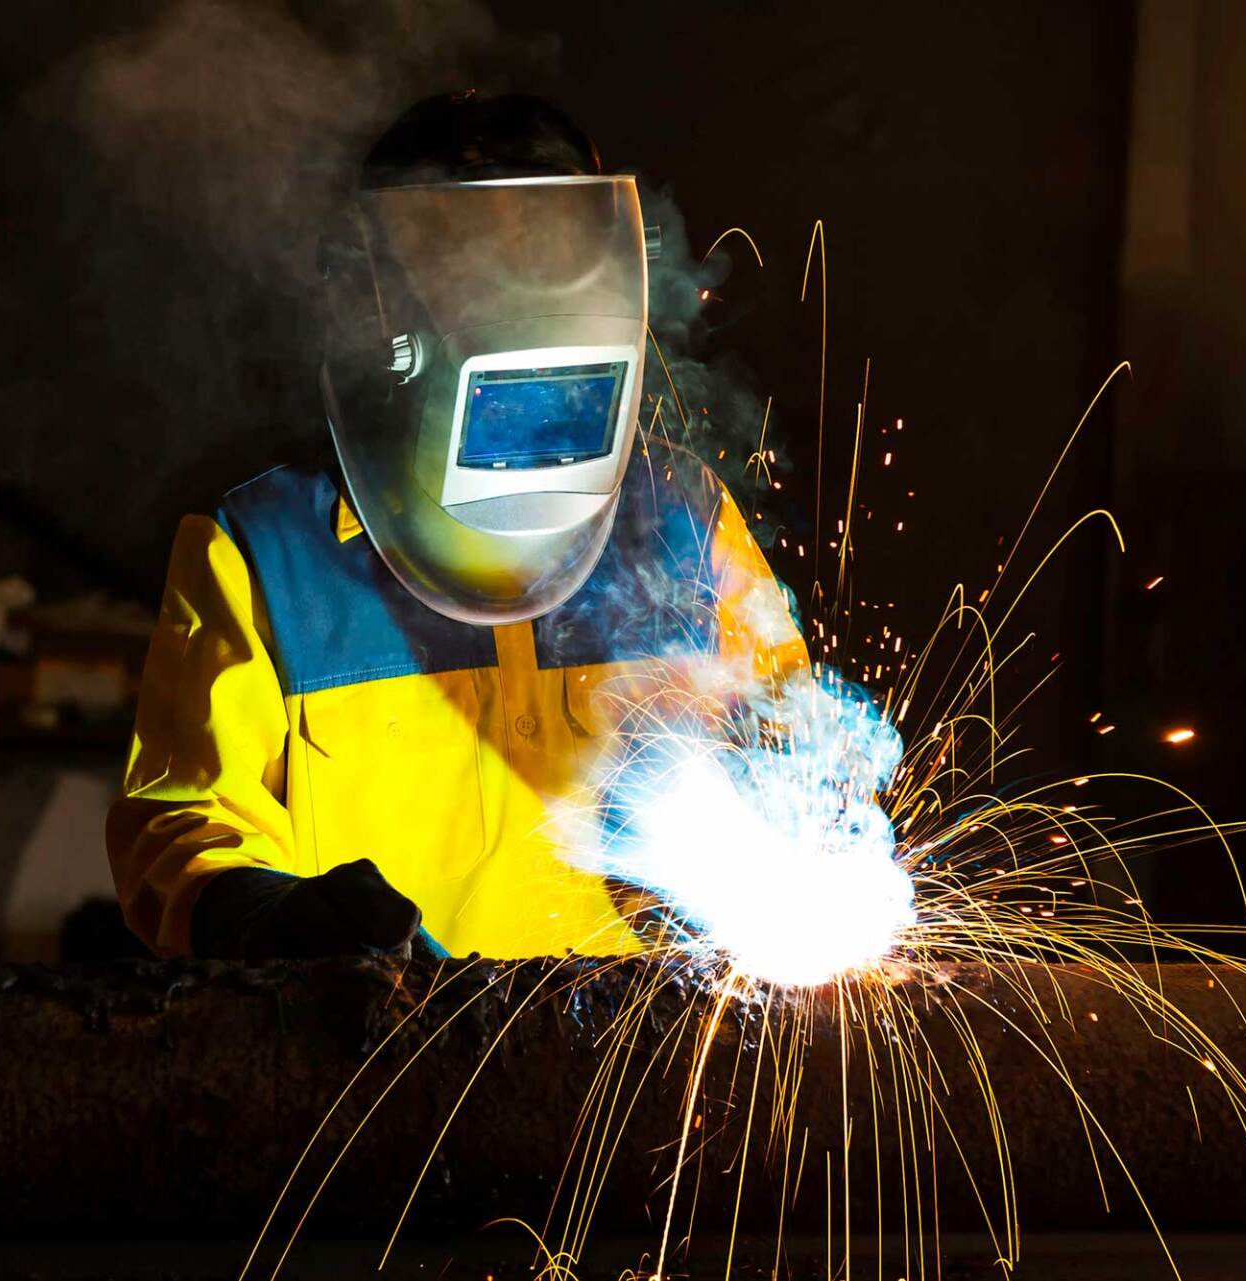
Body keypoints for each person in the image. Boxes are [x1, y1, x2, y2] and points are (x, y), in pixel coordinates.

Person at [107, 91, 806, 961]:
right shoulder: (264, 552)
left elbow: (783, 731)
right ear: (387, 320)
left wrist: (802, 823)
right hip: (376, 1065)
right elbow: (183, 827)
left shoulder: (685, 518)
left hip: (628, 1076)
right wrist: (263, 912)